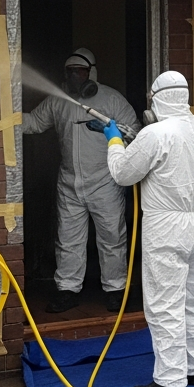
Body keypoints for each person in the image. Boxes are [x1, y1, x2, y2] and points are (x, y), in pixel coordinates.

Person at [104, 71, 194, 387]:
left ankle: (170, 380)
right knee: (193, 300)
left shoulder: (156, 133)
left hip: (168, 227)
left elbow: (123, 173)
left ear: (156, 100)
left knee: (164, 303)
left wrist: (113, 140)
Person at [22, 48, 140, 313]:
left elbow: (136, 132)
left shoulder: (112, 99)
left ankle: (116, 289)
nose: (74, 77)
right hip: (69, 183)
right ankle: (67, 290)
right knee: (68, 239)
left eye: (80, 72)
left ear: (92, 74)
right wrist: (5, 117)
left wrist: (112, 129)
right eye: (70, 72)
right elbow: (34, 123)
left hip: (105, 181)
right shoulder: (58, 101)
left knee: (112, 237)